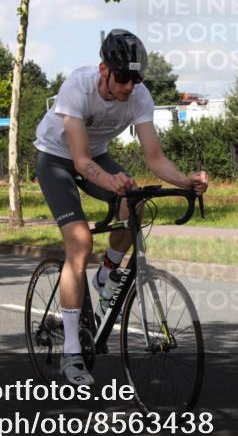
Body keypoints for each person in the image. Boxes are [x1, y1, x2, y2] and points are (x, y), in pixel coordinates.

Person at [33, 29, 208, 386]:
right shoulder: (78, 86)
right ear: (104, 70)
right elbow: (80, 161)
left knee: (135, 203)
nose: (130, 86)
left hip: (95, 156)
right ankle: (71, 354)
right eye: (123, 78)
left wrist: (185, 181)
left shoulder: (139, 96)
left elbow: (155, 158)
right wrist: (110, 181)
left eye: (135, 79)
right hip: (56, 159)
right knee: (80, 242)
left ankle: (107, 273)